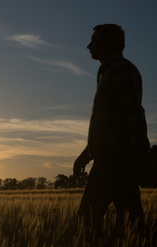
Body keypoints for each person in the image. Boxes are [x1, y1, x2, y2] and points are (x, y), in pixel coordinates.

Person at [73, 24, 149, 235]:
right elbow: (108, 124)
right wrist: (86, 154)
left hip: (115, 160)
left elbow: (133, 114)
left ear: (109, 43)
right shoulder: (108, 72)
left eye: (94, 40)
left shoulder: (120, 70)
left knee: (87, 221)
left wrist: (137, 158)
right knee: (131, 223)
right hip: (113, 158)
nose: (89, 46)